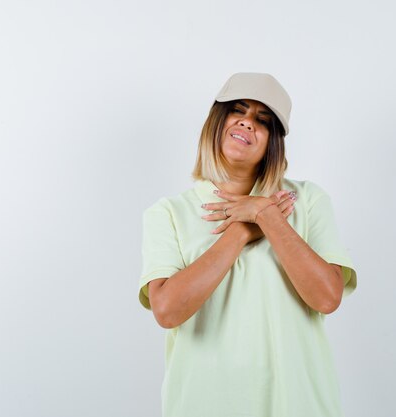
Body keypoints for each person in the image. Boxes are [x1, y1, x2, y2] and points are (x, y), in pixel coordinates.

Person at [138, 72, 358, 417]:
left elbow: (327, 298)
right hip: (203, 405)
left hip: (298, 405)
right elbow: (166, 311)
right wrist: (242, 230)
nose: (247, 122)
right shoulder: (168, 213)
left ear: (273, 141)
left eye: (263, 120)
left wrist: (267, 217)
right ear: (217, 121)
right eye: (237, 110)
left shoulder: (307, 200)